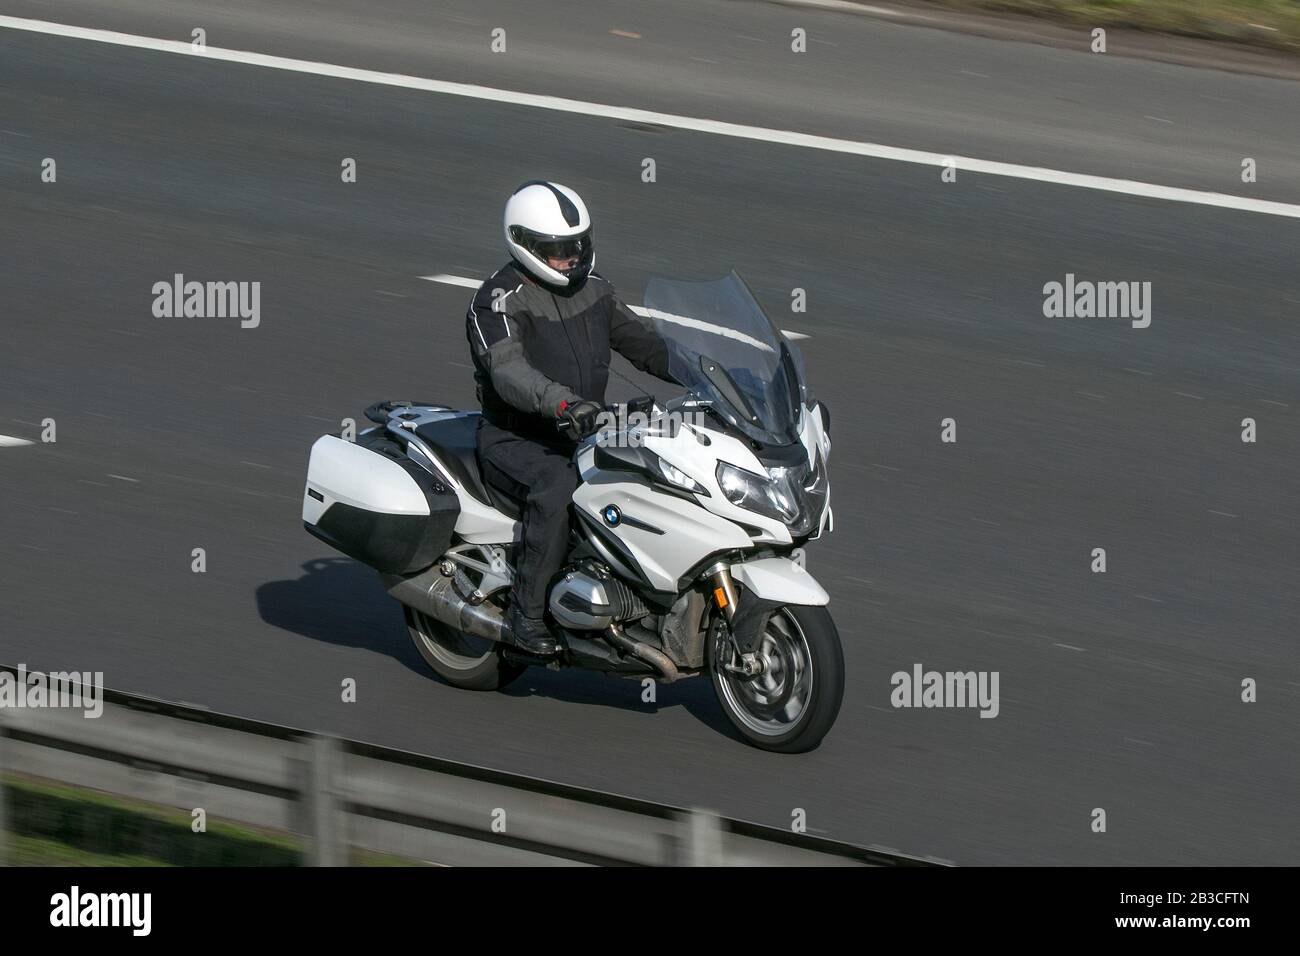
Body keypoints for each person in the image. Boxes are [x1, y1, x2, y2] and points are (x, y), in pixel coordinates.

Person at [465, 181, 673, 655]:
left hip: (588, 430)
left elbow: (644, 345)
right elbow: (510, 371)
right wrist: (563, 404)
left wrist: (707, 368)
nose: (571, 259)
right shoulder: (498, 301)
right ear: (525, 244)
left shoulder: (596, 290)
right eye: (558, 251)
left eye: (578, 247)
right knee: (559, 490)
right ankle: (527, 614)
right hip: (519, 439)